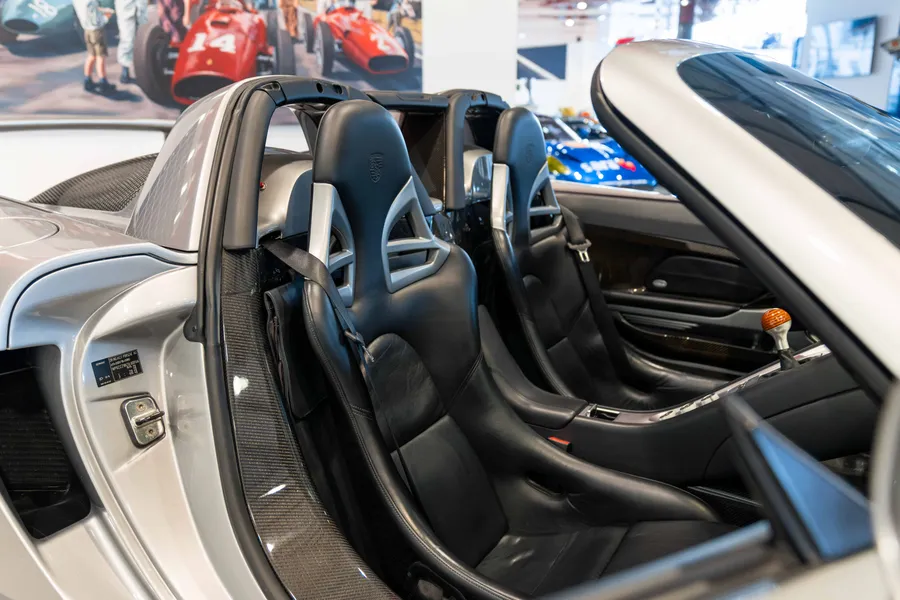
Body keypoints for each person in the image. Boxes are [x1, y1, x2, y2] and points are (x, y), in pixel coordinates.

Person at [72, 0, 115, 94]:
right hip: (96, 31)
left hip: (87, 30)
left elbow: (92, 10)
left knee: (91, 56)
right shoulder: (91, 1)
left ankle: (87, 81)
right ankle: (103, 83)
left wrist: (103, 10)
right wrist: (107, 16)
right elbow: (96, 20)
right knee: (101, 57)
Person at [115, 0, 148, 84]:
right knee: (127, 41)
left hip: (138, 10)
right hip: (126, 10)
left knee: (140, 41)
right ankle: (125, 73)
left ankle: (140, 73)